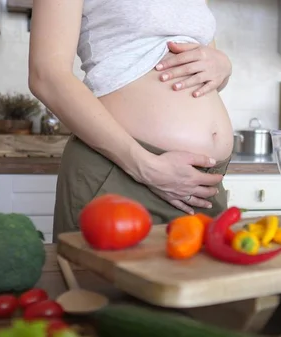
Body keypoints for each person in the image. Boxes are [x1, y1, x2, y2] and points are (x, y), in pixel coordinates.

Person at [28, 0, 234, 242]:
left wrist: (224, 67)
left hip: (204, 185)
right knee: (105, 280)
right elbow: (46, 75)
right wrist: (145, 167)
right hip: (123, 171)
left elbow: (203, 72)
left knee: (201, 278)